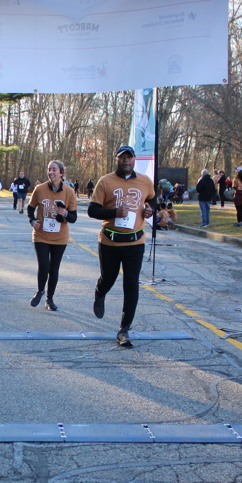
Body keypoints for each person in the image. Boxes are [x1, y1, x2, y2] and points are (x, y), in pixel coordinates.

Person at [89, 145, 157, 348]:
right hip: (110, 240)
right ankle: (100, 292)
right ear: (117, 159)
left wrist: (150, 210)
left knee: (131, 283)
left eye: (129, 157)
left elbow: (152, 200)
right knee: (108, 278)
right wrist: (114, 213)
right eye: (122, 157)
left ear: (134, 159)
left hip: (135, 242)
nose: (126, 160)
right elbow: (93, 210)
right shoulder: (105, 181)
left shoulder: (145, 181)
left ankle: (124, 329)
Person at [27, 160, 78, 311]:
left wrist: (65, 213)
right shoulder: (39, 189)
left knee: (54, 269)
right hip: (41, 235)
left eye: (54, 169)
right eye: (49, 169)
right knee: (44, 266)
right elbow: (30, 208)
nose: (51, 172)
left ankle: (50, 299)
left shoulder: (69, 191)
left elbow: (73, 218)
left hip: (60, 237)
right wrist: (32, 221)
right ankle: (40, 291)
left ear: (61, 173)